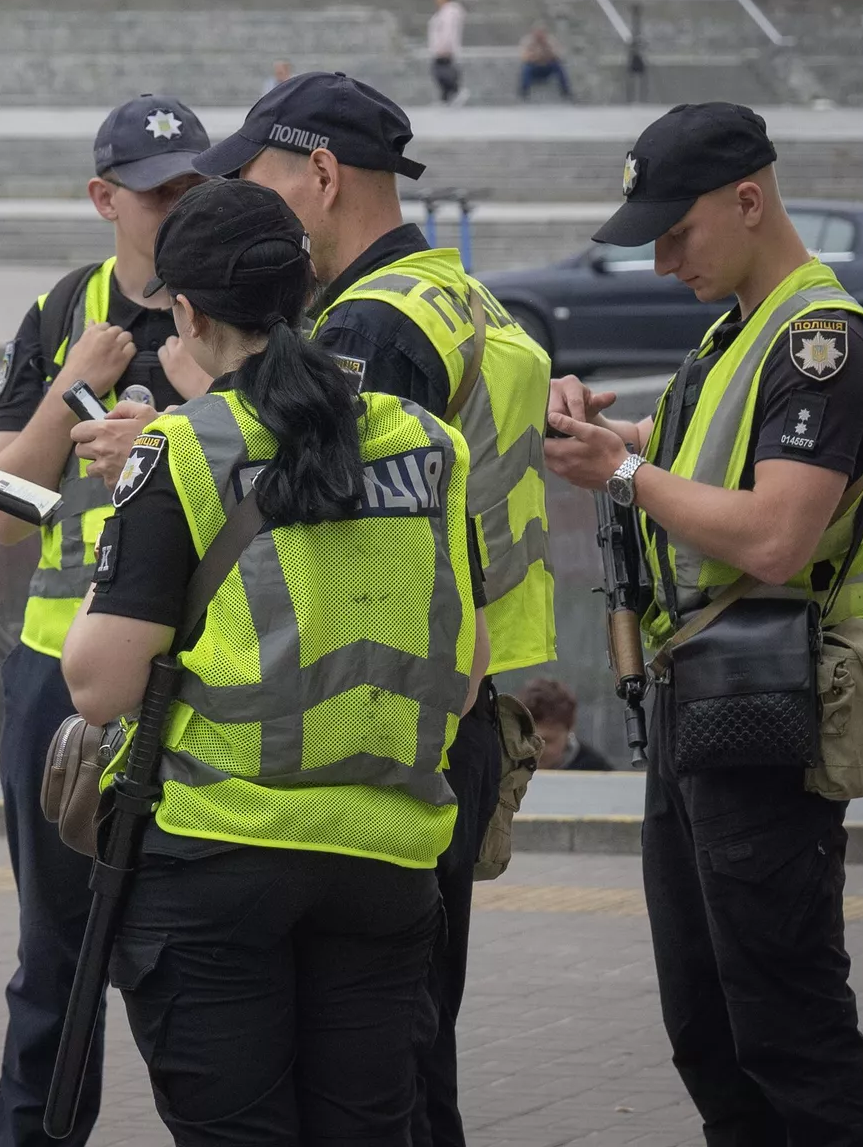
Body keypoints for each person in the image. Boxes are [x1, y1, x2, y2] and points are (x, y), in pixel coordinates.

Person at [62, 177, 490, 1145]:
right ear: (306, 293)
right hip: (386, 862)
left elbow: (97, 683)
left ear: (187, 311)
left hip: (220, 856)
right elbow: (464, 676)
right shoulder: (430, 443)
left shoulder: (179, 447)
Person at [194, 70, 555, 1147]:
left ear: (319, 172)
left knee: (382, 1064)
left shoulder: (370, 327)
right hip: (469, 696)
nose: (248, 209)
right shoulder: (463, 293)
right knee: (411, 1034)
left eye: (256, 181)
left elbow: (332, 533)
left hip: (404, 721)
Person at [544, 102, 863, 1147]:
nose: (661, 261)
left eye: (675, 232)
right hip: (703, 703)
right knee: (706, 1023)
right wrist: (605, 436)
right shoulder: (733, 333)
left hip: (775, 709)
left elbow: (776, 536)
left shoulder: (822, 343)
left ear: (749, 199)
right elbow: (687, 454)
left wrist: (623, 470)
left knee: (787, 1023)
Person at [0, 93, 211, 1147]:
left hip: (195, 670)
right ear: (104, 198)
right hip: (55, 675)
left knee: (185, 961)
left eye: (194, 187)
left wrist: (167, 438)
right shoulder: (64, 308)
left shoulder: (233, 306)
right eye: (158, 192)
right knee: (54, 963)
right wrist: (71, 388)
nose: (179, 207)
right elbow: (0, 519)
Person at [515, 678, 614, 771]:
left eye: (547, 741)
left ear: (570, 731)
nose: (536, 751)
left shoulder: (597, 773)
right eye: (528, 740)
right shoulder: (503, 766)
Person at [428, 0, 466, 106]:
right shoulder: (443, 12)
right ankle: (446, 97)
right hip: (440, 48)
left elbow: (448, 31)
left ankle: (455, 92)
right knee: (442, 71)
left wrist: (444, 46)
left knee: (442, 72)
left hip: (444, 49)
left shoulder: (449, 12)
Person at [517, 24, 572, 101]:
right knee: (526, 68)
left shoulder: (550, 41)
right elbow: (524, 57)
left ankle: (565, 91)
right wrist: (535, 56)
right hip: (534, 67)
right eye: (537, 32)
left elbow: (558, 55)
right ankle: (524, 92)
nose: (539, 35)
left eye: (541, 32)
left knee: (558, 66)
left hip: (547, 67)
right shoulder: (527, 41)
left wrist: (547, 49)